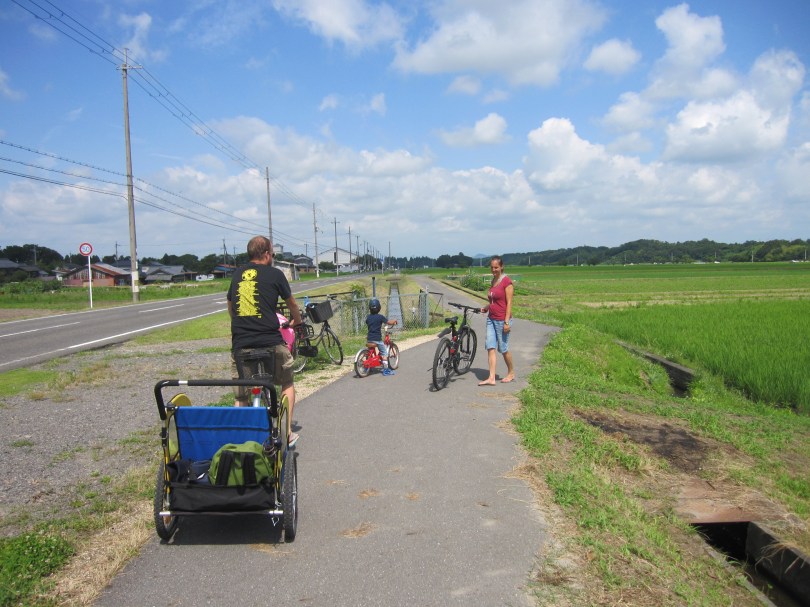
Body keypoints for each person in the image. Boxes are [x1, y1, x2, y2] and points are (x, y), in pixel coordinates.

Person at [227, 236, 304, 446]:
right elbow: (293, 305)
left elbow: (230, 306)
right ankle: (287, 432)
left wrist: (242, 325)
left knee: (242, 395)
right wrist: (296, 323)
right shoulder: (275, 274)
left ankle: (240, 438)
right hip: (270, 340)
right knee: (287, 382)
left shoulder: (237, 275)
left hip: (242, 343)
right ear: (267, 254)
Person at [479, 255, 515, 385]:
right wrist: (486, 307)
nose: (493, 270)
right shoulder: (493, 280)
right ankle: (491, 377)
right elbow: (494, 301)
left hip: (502, 320)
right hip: (491, 319)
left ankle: (511, 372)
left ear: (501, 267)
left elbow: (509, 303)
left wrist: (506, 322)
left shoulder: (507, 282)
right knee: (490, 346)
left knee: (503, 349)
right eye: (492, 267)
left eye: (496, 267)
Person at [365, 297, 398, 376]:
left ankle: (369, 367)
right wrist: (394, 321)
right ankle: (386, 370)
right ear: (379, 307)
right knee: (384, 353)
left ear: (370, 308)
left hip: (369, 339)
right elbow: (389, 322)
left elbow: (367, 322)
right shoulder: (380, 317)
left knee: (370, 351)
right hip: (377, 340)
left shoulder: (368, 317)